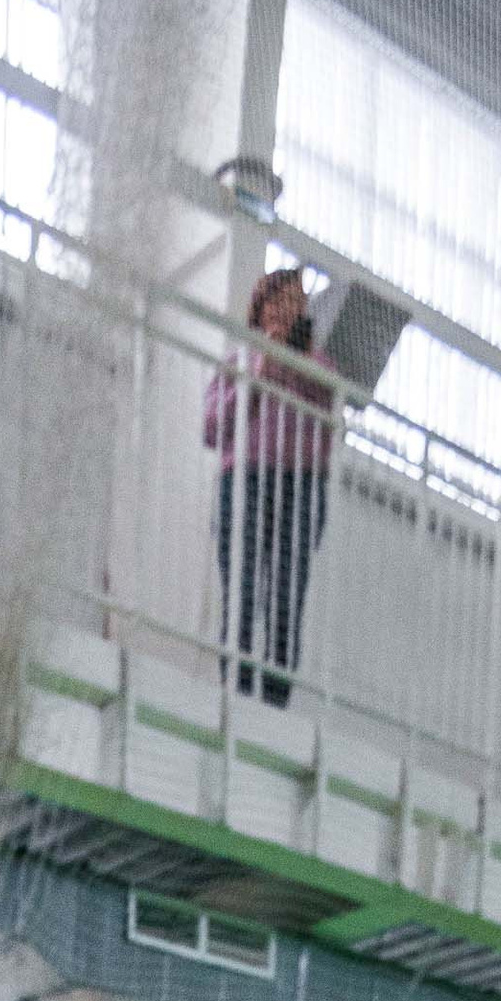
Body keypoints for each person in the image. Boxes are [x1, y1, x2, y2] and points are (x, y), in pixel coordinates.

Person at [203, 267, 335, 708]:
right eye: (281, 300)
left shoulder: (317, 366)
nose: (291, 308)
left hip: (300, 484)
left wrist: (298, 359)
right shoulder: (238, 361)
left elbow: (331, 411)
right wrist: (260, 371)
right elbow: (212, 427)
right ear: (261, 309)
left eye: (298, 301)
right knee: (240, 588)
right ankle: (236, 690)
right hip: (245, 478)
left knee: (286, 597)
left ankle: (275, 700)